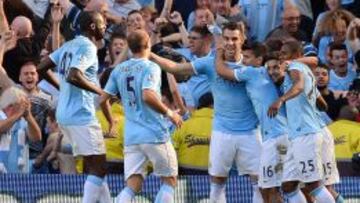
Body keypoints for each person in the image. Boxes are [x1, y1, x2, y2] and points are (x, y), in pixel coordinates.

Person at [150, 22, 262, 203]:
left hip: (250, 133)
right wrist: (149, 54)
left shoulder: (251, 67)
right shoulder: (209, 63)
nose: (230, 43)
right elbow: (175, 68)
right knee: (217, 182)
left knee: (260, 183)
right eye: (226, 38)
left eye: (234, 38)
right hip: (221, 131)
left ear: (242, 39)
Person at [36, 11, 111, 203]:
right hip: (81, 115)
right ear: (93, 27)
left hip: (65, 114)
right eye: (102, 24)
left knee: (93, 168)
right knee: (99, 168)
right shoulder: (88, 48)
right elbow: (74, 75)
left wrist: (60, 86)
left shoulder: (69, 45)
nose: (105, 27)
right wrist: (98, 90)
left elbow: (41, 68)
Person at [100, 29, 183, 203]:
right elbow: (148, 95)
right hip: (154, 133)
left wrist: (111, 123)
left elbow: (102, 100)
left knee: (132, 186)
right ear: (148, 45)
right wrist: (169, 113)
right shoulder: (151, 66)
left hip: (132, 136)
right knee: (169, 181)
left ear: (129, 47)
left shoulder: (118, 69)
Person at [216, 50, 288, 202]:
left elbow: (222, 71)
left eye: (247, 57)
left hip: (276, 138)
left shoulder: (252, 72)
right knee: (282, 188)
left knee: (268, 187)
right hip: (281, 137)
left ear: (258, 59)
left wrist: (218, 52)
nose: (243, 59)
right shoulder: (277, 78)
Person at [268, 40, 335, 203]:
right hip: (299, 134)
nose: (281, 56)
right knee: (288, 186)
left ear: (296, 55)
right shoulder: (308, 73)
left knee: (314, 186)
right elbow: (323, 105)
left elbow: (298, 86)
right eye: (280, 53)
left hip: (305, 134)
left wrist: (281, 100)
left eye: (284, 53)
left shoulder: (294, 67)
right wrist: (310, 102)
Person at [0, 87, 41, 173]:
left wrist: (29, 116)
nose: (25, 107)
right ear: (10, 105)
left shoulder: (24, 120)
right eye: (22, 104)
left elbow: (36, 138)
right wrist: (18, 114)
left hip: (20, 176)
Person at [172, 92, 213, 175]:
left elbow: (172, 154)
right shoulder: (221, 129)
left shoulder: (183, 125)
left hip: (184, 175)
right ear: (212, 106)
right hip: (213, 176)